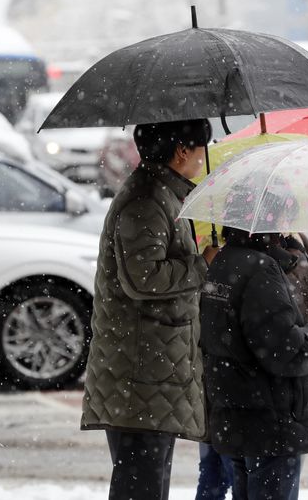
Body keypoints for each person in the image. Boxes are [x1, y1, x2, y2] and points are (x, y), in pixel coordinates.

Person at [81, 119, 220, 500]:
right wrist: (202, 263)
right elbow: (144, 278)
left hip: (152, 366)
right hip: (141, 370)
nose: (201, 160)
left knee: (148, 477)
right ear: (181, 151)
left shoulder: (162, 195)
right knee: (141, 481)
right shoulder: (147, 201)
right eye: (199, 150)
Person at [200, 219, 308, 500]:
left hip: (236, 415)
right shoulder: (259, 270)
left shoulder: (224, 261)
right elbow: (287, 352)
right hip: (270, 422)